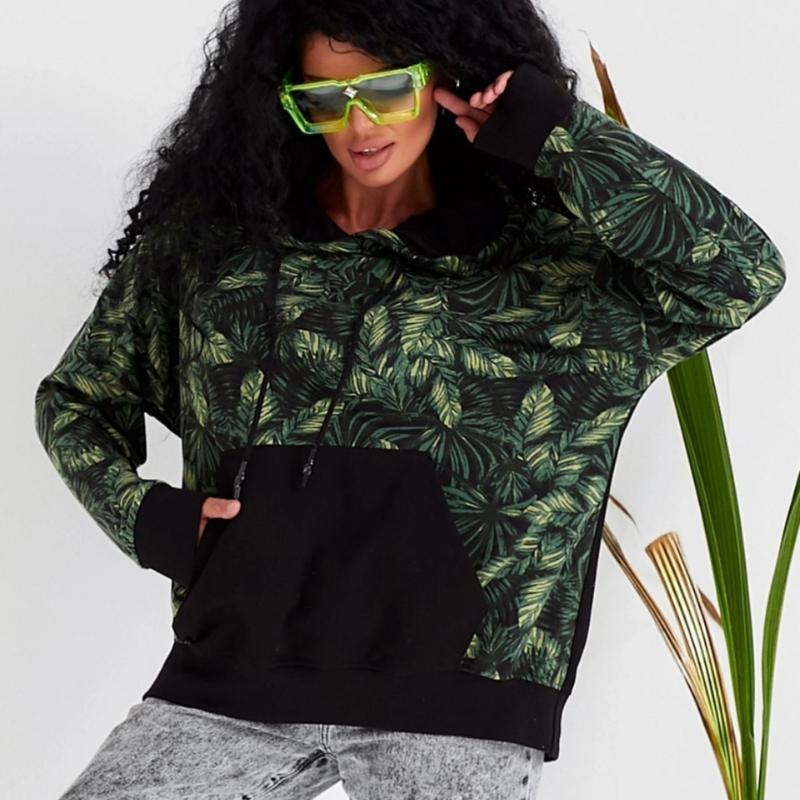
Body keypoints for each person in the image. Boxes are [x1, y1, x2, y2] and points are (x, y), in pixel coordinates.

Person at [34, 1, 786, 798]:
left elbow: (740, 271)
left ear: (443, 78)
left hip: (459, 699)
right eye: (325, 99)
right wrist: (150, 519)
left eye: (386, 90)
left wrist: (550, 129)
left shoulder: (558, 271)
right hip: (230, 679)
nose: (358, 125)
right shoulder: (222, 254)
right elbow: (79, 397)